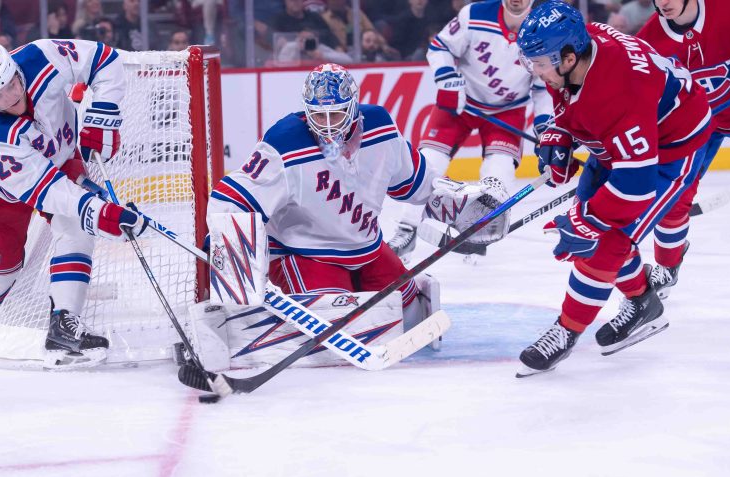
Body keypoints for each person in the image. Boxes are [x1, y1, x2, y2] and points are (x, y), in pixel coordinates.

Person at [207, 63, 509, 330]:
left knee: (409, 313)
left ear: (353, 107)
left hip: (366, 249)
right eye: (318, 115)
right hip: (304, 253)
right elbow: (233, 196)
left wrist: (462, 204)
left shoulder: (380, 127)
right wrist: (224, 244)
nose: (327, 125)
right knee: (334, 326)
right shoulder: (284, 142)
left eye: (335, 113)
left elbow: (417, 183)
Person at [514, 1, 713, 376]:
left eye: (540, 63)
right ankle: (642, 303)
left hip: (672, 148)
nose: (535, 71)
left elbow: (635, 184)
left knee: (606, 240)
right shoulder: (579, 49)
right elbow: (573, 101)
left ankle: (567, 330)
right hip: (626, 141)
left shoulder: (617, 91)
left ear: (569, 58)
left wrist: (588, 221)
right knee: (597, 228)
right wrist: (560, 133)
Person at [0, 38, 148, 368]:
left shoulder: (41, 55)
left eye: (12, 84)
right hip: (2, 193)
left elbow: (104, 60)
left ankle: (64, 321)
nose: (11, 96)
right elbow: (48, 190)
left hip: (61, 160)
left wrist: (104, 115)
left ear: (15, 68)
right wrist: (99, 212)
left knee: (75, 226)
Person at [387, 0, 553, 261]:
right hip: (461, 102)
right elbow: (440, 46)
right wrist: (447, 79)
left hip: (508, 110)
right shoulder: (475, 14)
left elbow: (544, 88)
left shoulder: (542, 31)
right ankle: (407, 230)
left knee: (499, 176)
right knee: (429, 162)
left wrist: (546, 130)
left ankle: (477, 232)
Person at [636, 0, 730, 298]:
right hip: (698, 125)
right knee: (671, 194)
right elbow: (638, 97)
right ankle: (667, 266)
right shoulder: (648, 42)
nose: (663, 2)